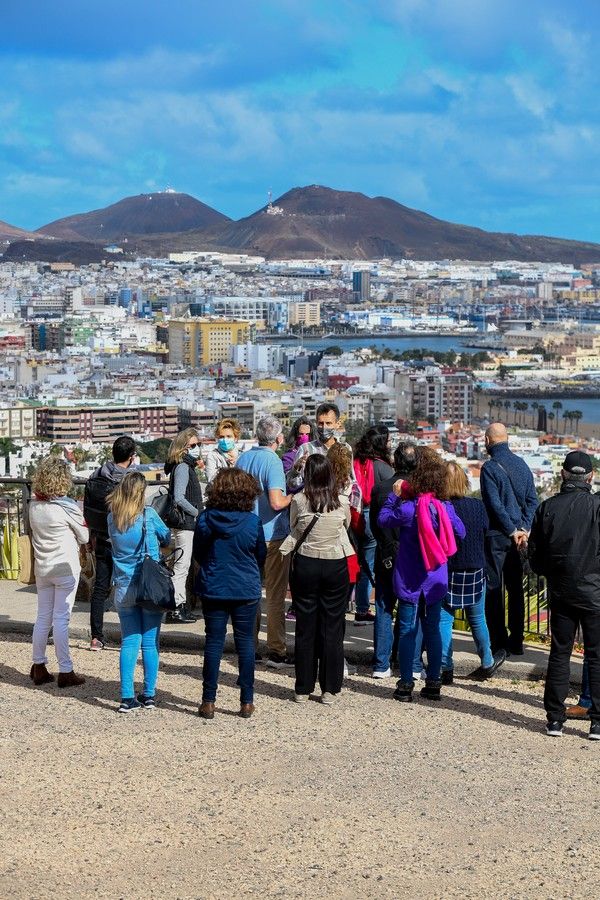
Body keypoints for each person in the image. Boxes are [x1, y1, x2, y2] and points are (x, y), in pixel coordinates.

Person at [378, 447, 465, 702]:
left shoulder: (409, 510)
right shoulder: (443, 508)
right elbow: (461, 532)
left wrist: (394, 497)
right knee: (433, 629)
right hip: (435, 577)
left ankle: (406, 682)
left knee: (407, 629)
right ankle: (434, 681)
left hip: (409, 576)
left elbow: (383, 519)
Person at [528, 451, 600, 740]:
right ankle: (597, 722)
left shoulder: (548, 508)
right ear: (591, 477)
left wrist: (554, 572)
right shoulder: (597, 507)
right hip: (595, 592)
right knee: (596, 657)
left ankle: (555, 720)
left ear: (563, 475)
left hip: (561, 590)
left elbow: (535, 557)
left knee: (560, 653)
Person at [193, 469, 267, 719]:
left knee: (213, 642)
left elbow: (199, 553)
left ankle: (208, 700)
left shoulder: (205, 519)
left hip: (214, 584)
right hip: (245, 586)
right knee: (245, 643)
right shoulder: (252, 522)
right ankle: (246, 701)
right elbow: (260, 555)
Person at [280, 455, 352, 704]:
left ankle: (303, 686)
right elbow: (346, 527)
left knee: (305, 625)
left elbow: (294, 529)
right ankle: (330, 687)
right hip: (334, 562)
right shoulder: (342, 501)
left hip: (306, 561)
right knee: (332, 626)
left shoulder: (299, 500)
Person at [107, 471, 171, 713]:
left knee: (129, 641)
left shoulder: (112, 518)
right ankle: (149, 693)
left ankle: (126, 696)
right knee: (150, 643)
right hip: (149, 586)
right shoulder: (149, 515)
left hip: (123, 585)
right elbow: (165, 537)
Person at [440, 463, 506, 684]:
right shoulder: (478, 507)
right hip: (476, 568)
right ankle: (487, 661)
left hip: (449, 569)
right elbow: (485, 531)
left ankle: (445, 667)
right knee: (477, 618)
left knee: (444, 620)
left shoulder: (440, 507)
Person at [237, 415, 293, 667]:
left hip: (244, 531)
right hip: (272, 534)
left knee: (249, 593)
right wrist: (295, 496)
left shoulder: (244, 458)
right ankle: (276, 649)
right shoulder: (273, 461)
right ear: (279, 439)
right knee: (275, 594)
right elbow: (276, 502)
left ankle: (249, 645)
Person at [29, 456, 89, 688]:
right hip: (64, 566)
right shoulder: (67, 507)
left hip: (42, 567)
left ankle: (39, 666)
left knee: (43, 617)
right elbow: (84, 536)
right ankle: (65, 670)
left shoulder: (34, 506)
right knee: (61, 619)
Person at [480, 423, 538, 656]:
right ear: (507, 439)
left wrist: (511, 529)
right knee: (516, 591)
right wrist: (523, 528)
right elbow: (533, 501)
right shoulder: (523, 465)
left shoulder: (489, 468)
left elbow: (494, 505)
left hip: (497, 537)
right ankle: (517, 640)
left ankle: (498, 641)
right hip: (519, 539)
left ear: (487, 441)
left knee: (494, 590)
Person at [84, 435, 137, 651]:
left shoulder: (97, 475)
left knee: (100, 588)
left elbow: (88, 509)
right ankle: (129, 635)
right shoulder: (131, 479)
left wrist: (90, 537)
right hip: (124, 539)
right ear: (132, 457)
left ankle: (96, 636)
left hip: (101, 537)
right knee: (128, 587)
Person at [369, 442, 417, 678]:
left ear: (395, 462)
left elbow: (374, 526)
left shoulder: (379, 489)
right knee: (412, 609)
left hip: (386, 553)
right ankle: (413, 663)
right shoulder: (420, 490)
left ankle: (381, 664)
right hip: (411, 555)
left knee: (384, 608)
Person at [352, 426, 394, 625]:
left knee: (358, 563)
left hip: (354, 514)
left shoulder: (357, 461)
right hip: (372, 516)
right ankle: (362, 609)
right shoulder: (383, 467)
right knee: (370, 566)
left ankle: (353, 604)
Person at [163, 427, 204, 624]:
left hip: (186, 524)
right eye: (193, 445)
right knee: (181, 567)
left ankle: (181, 606)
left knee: (183, 566)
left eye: (198, 445)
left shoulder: (185, 467)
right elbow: (179, 498)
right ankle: (176, 609)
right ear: (183, 448)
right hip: (185, 524)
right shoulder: (182, 468)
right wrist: (197, 512)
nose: (197, 449)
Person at [286, 402, 352, 493]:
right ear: (316, 423)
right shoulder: (305, 449)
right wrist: (296, 470)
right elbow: (292, 484)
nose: (324, 427)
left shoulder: (345, 448)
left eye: (328, 423)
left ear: (337, 424)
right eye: (321, 423)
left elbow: (350, 479)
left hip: (338, 503)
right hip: (314, 502)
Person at [204, 419, 242, 483]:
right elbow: (212, 480)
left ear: (235, 438)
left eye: (229, 436)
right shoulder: (212, 456)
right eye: (221, 437)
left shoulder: (241, 455)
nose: (225, 439)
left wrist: (236, 463)